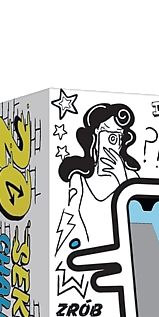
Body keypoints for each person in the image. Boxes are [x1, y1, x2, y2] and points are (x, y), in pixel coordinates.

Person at [58, 103, 141, 244]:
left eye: (117, 135)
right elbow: (69, 221)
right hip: (88, 252)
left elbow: (139, 224)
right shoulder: (79, 178)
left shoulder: (131, 178)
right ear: (95, 134)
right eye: (106, 132)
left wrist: (122, 180)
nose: (112, 139)